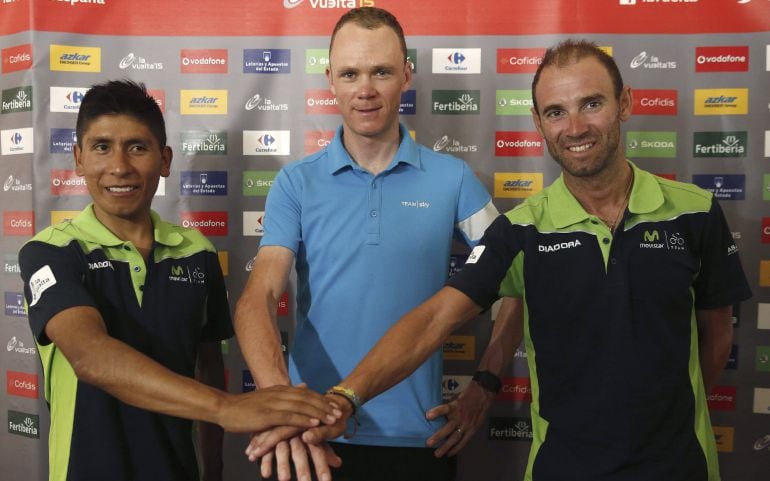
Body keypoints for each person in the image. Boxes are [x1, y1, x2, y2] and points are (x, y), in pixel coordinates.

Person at [292, 39, 752, 481]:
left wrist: (669, 420)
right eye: (556, 112)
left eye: (591, 104)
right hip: (561, 470)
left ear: (625, 104)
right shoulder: (521, 230)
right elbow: (435, 319)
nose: (574, 127)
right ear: (538, 122)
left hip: (679, 469)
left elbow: (718, 336)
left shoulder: (695, 211)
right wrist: (346, 398)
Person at [18, 80, 340, 481]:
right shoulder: (49, 251)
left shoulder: (197, 252)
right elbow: (90, 356)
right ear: (78, 158)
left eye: (137, 147)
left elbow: (208, 364)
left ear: (165, 159)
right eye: (102, 147)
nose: (119, 166)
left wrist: (215, 467)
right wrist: (227, 408)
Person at [233, 6, 503, 481]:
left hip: (417, 441)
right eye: (350, 73)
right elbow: (260, 296)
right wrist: (284, 406)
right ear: (330, 80)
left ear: (407, 75)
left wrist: (485, 383)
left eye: (381, 71)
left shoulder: (453, 179)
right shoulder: (297, 183)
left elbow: (516, 278)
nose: (366, 89)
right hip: (310, 440)